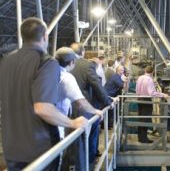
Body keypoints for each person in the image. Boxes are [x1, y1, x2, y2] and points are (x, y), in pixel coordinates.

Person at [0, 17, 88, 170]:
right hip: (39, 147)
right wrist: (72, 123)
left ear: (23, 35)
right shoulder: (46, 62)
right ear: (45, 36)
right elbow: (43, 109)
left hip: (11, 146)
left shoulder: (7, 61)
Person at [65, 43, 116, 168]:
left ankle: (73, 164)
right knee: (90, 135)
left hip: (65, 108)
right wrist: (108, 102)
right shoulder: (86, 65)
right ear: (82, 52)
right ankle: (90, 164)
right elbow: (96, 85)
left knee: (70, 139)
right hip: (83, 108)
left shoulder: (60, 63)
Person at [55, 47, 104, 138]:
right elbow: (80, 102)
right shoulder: (66, 77)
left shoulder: (48, 73)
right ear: (72, 62)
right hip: (58, 125)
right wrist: (95, 111)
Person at [136, 66, 168, 143]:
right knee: (145, 120)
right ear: (152, 72)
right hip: (146, 101)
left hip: (139, 99)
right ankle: (144, 139)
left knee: (140, 119)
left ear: (145, 70)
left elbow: (137, 90)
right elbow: (152, 93)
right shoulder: (149, 80)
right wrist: (162, 94)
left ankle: (140, 137)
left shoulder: (140, 77)